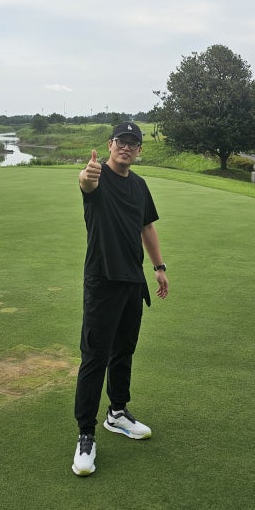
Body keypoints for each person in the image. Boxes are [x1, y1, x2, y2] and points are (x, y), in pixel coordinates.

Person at [72, 122, 169, 477]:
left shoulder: (140, 185)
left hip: (132, 281)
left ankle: (117, 413)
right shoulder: (97, 177)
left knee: (123, 351)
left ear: (139, 150)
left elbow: (147, 227)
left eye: (133, 143)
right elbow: (86, 184)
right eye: (120, 142)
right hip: (102, 281)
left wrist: (159, 267)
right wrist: (86, 176)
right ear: (110, 145)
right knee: (95, 357)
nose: (126, 147)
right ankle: (86, 434)